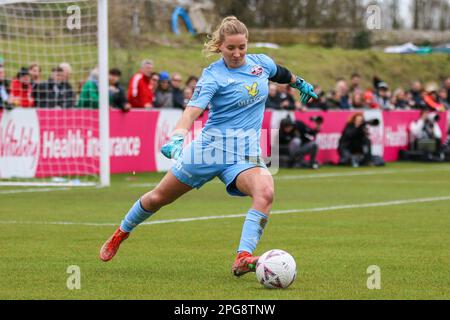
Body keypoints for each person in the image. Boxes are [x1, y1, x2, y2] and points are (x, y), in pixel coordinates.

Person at [99, 16, 318, 277]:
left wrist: (299, 82)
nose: (237, 53)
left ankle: (242, 257)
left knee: (266, 191)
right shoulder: (213, 75)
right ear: (220, 47)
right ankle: (121, 233)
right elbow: (193, 110)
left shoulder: (261, 64)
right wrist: (179, 136)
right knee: (158, 197)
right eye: (231, 48)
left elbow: (281, 73)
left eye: (242, 47)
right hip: (209, 151)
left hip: (245, 155)